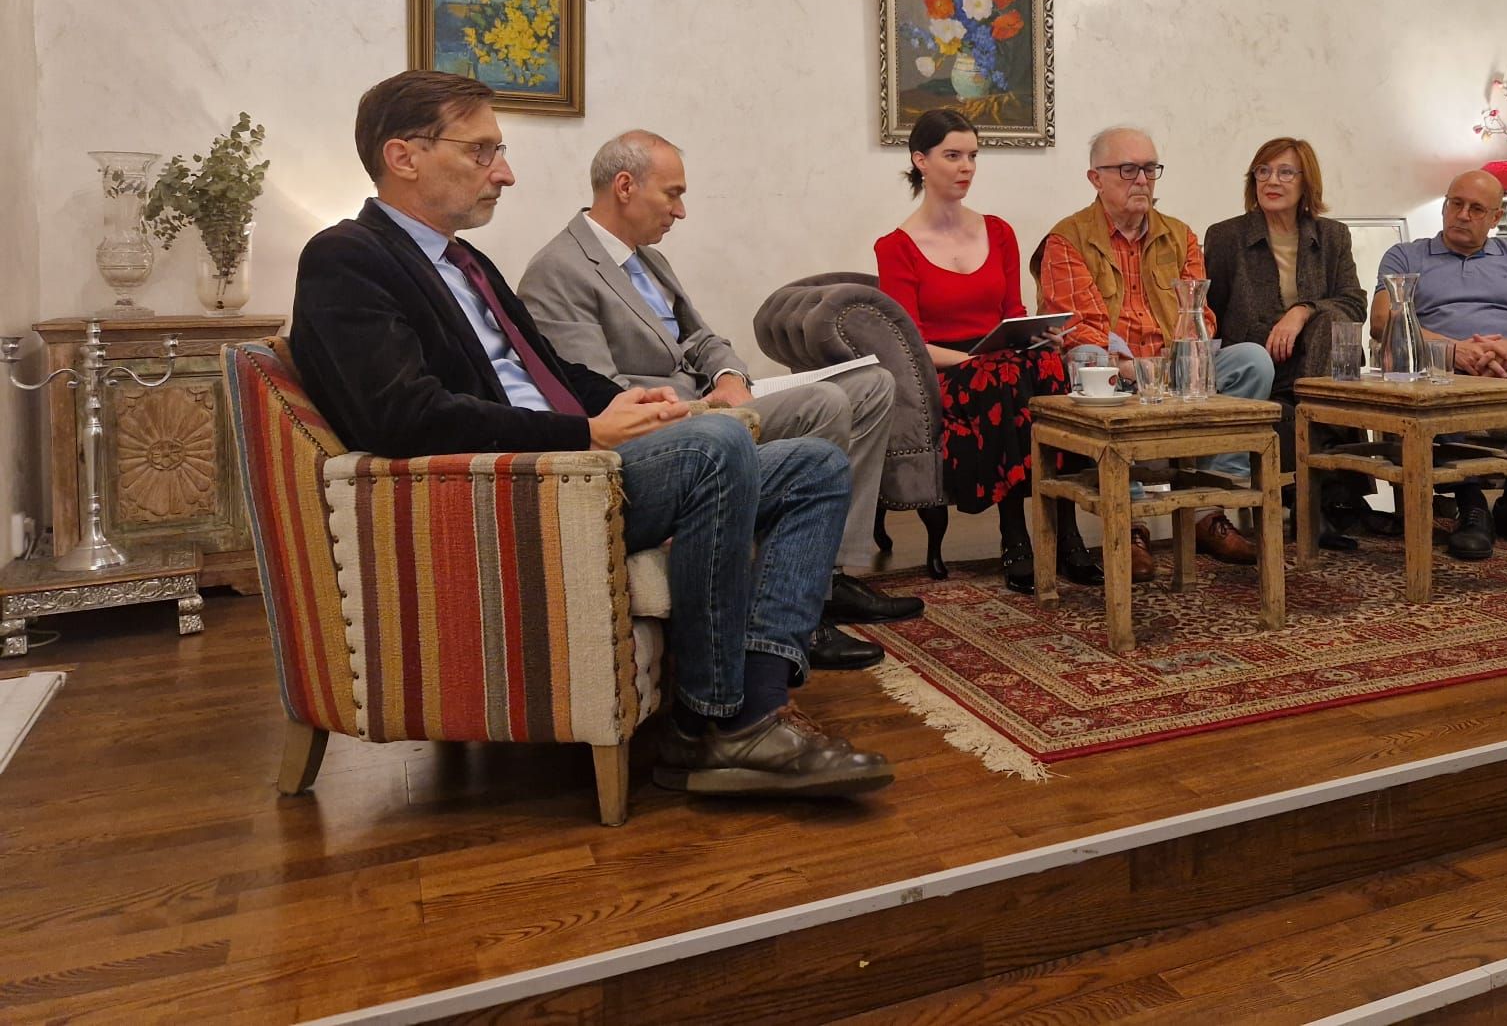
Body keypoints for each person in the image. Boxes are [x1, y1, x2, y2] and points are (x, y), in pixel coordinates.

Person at [289, 71, 891, 799]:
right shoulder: (347, 257)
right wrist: (587, 430)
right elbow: (403, 415)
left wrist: (630, 402)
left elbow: (550, 369)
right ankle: (714, 723)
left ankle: (760, 699)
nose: (504, 173)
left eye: (499, 151)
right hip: (517, 487)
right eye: (481, 151)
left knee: (815, 465)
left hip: (565, 465)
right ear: (403, 156)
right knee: (721, 447)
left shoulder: (465, 262)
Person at [517, 131, 916, 673]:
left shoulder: (649, 260)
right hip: (674, 428)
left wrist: (729, 375)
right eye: (672, 194)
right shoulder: (559, 270)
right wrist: (706, 409)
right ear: (625, 187)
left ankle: (829, 576)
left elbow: (702, 339)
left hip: (713, 402)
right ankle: (801, 606)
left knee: (873, 385)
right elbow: (600, 394)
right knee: (824, 402)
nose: (680, 211)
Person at [1032, 125, 1276, 581]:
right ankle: (1132, 524)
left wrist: (1175, 359)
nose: (1142, 179)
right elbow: (1075, 325)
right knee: (1088, 358)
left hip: (1173, 365)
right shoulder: (1067, 239)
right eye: (1128, 169)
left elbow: (1201, 314)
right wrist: (1133, 366)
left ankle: (1209, 507)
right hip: (1114, 370)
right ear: (1095, 178)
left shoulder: (1179, 235)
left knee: (1252, 361)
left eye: (1149, 168)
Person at [874, 109, 1102, 595]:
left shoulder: (998, 231)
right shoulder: (896, 247)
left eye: (972, 156)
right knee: (1000, 376)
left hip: (1002, 358)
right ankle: (1014, 532)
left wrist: (1042, 337)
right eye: (952, 156)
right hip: (946, 367)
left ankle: (1066, 530)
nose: (966, 168)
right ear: (920, 160)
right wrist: (972, 360)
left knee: (1045, 363)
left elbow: (1014, 312)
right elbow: (910, 344)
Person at [1370, 169, 1507, 561]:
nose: (1462, 215)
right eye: (1455, 204)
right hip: (1440, 366)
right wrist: (1451, 350)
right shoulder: (1406, 256)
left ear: (1496, 217)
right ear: (1444, 206)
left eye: (1476, 209)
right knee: (1430, 375)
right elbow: (1381, 320)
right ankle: (1470, 504)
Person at [1202, 136, 1380, 548]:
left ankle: (1317, 502)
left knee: (1330, 325)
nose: (1272, 181)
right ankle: (1327, 501)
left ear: (1306, 182)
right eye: (1263, 172)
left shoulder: (1332, 236)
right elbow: (1212, 314)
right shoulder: (1227, 237)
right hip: (1262, 364)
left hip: (1318, 365)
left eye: (1285, 172)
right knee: (1322, 379)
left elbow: (1354, 302)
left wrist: (1301, 312)